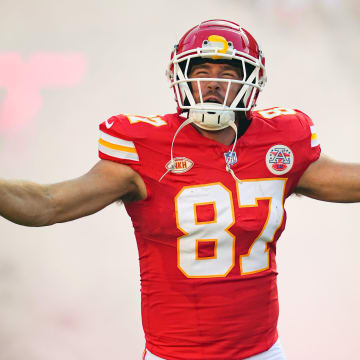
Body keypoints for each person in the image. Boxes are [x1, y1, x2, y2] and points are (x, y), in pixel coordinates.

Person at [1, 19, 360, 360]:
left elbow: (348, 181)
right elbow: (46, 204)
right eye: (201, 72)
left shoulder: (282, 139)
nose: (213, 83)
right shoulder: (146, 145)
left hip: (262, 352)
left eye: (228, 73)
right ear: (181, 78)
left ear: (252, 80)